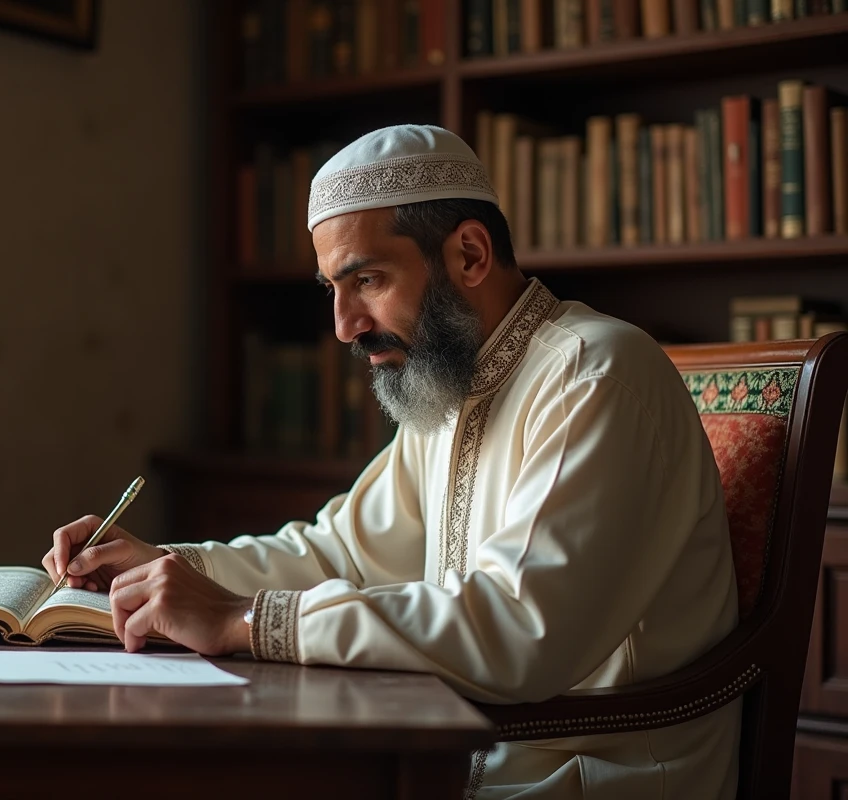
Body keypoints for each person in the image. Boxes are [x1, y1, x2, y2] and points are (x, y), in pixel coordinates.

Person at [43, 124, 740, 799]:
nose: (345, 327)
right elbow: (339, 553)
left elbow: (523, 627)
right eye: (333, 290)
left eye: (367, 279)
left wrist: (244, 621)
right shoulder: (451, 380)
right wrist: (168, 570)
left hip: (583, 770)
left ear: (470, 255)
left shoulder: (594, 374)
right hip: (460, 750)